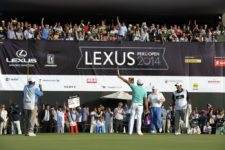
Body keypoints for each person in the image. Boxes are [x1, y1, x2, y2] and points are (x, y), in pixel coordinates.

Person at [117, 70, 148, 135]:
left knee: (132, 117)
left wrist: (120, 77)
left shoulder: (134, 87)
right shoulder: (144, 90)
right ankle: (139, 131)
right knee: (139, 117)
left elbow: (126, 81)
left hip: (134, 104)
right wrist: (147, 108)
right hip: (140, 105)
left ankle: (130, 132)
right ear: (142, 84)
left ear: (137, 83)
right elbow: (146, 100)